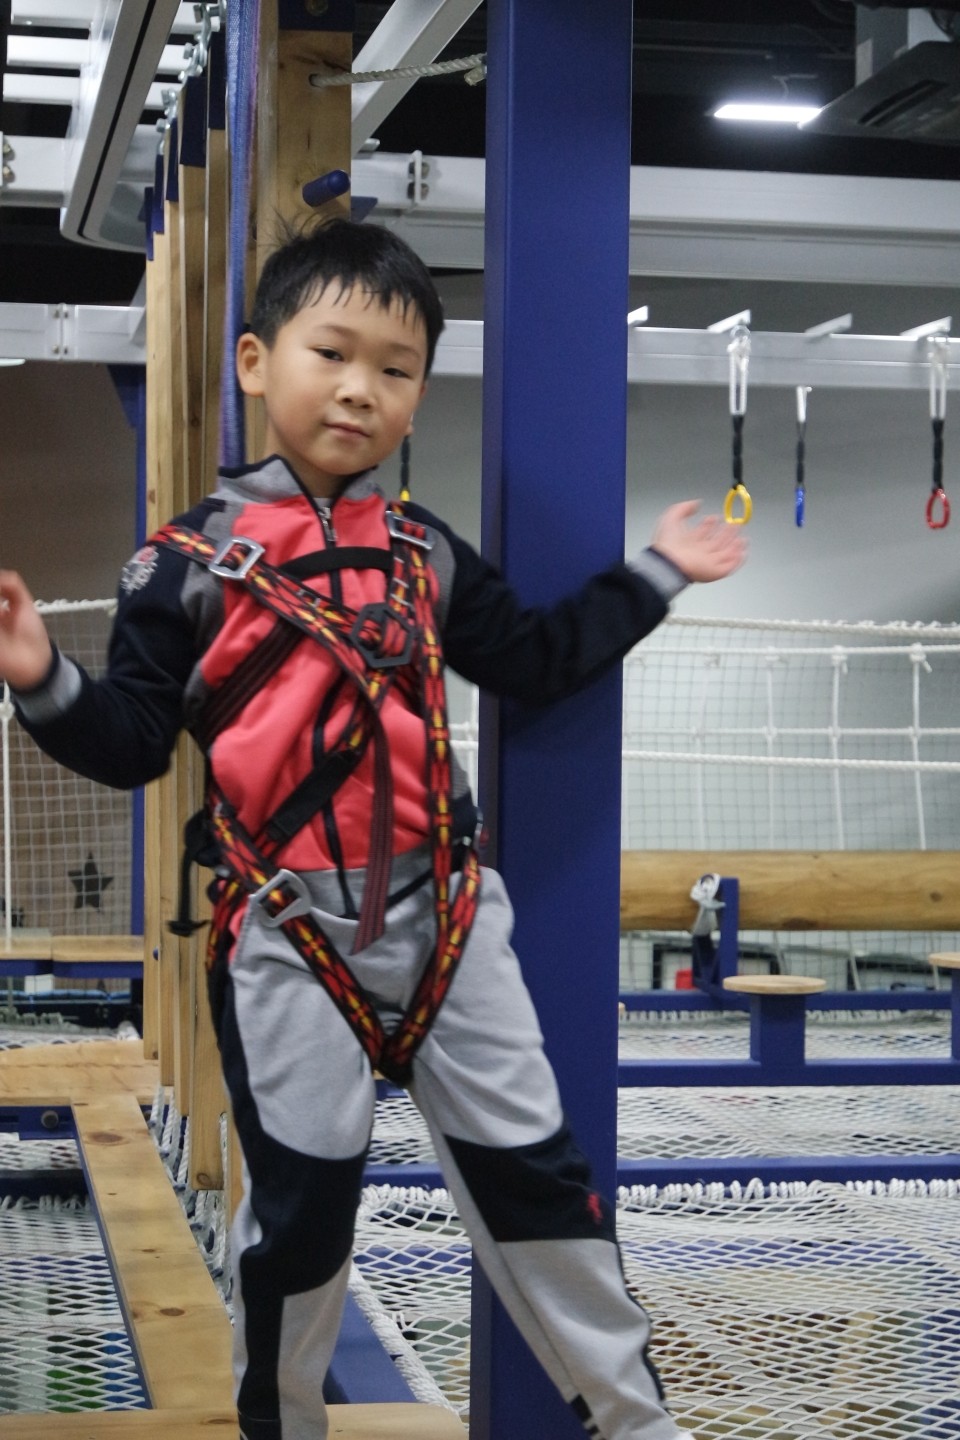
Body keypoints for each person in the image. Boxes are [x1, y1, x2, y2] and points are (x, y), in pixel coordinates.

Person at [0, 218, 745, 1440]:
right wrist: (42, 678)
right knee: (300, 1218)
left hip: (447, 924)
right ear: (255, 363)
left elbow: (537, 659)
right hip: (288, 936)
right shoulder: (184, 567)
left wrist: (654, 573)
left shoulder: (424, 556)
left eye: (396, 370)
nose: (360, 388)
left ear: (417, 399)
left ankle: (637, 1423)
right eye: (332, 353)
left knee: (540, 1186)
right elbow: (133, 742)